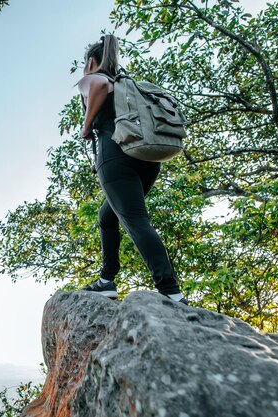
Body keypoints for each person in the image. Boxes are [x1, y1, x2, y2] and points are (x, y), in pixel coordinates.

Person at [77, 34, 189, 305]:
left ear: (91, 61)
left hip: (115, 156)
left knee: (136, 220)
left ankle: (170, 290)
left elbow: (99, 85)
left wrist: (86, 125)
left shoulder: (94, 77)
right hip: (147, 159)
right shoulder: (127, 85)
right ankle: (106, 280)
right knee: (107, 216)